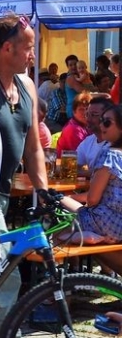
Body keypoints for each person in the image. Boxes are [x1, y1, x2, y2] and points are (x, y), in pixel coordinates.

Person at [60, 103, 122, 269]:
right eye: (102, 120)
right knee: (66, 203)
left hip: (106, 223)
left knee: (56, 219)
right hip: (118, 224)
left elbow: (93, 199)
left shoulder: (110, 154)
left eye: (107, 122)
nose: (101, 125)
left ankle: (65, 276)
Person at [76, 93, 111, 169]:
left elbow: (106, 174)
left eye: (94, 115)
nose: (88, 119)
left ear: (107, 117)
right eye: (87, 114)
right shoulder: (88, 141)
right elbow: (73, 166)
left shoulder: (117, 144)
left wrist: (83, 173)